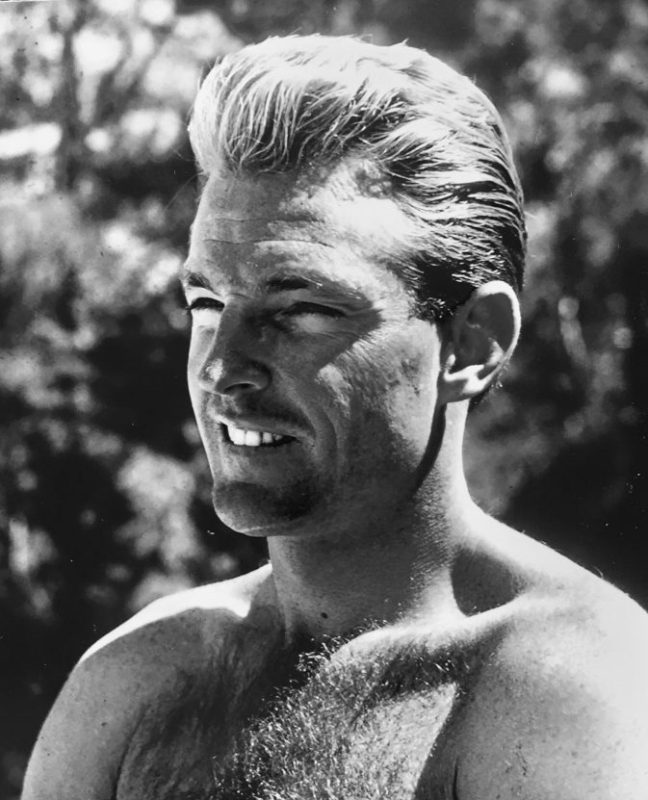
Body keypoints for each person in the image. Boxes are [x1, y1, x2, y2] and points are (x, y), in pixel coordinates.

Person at [22, 35, 648, 800]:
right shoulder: (133, 683)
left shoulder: (571, 692)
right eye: (207, 304)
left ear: (473, 344)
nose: (222, 366)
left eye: (301, 309)